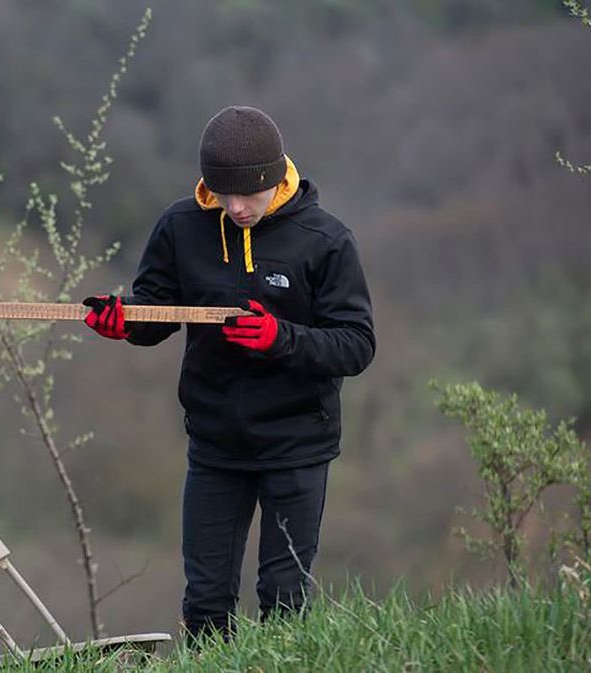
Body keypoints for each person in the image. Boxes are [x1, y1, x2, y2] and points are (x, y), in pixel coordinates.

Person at [83, 105, 375, 644]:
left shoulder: (326, 240)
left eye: (250, 194)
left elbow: (356, 346)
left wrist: (280, 339)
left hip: (297, 443)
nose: (237, 207)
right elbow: (155, 313)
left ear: (278, 177)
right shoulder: (180, 227)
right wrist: (124, 322)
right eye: (223, 194)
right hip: (214, 444)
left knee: (284, 599)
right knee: (205, 602)